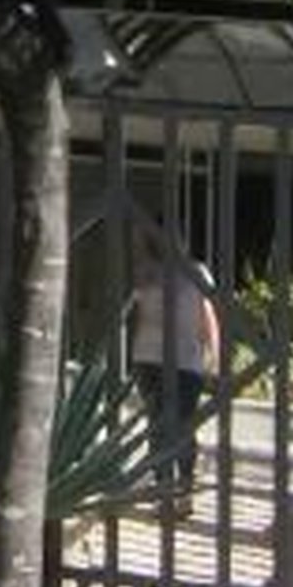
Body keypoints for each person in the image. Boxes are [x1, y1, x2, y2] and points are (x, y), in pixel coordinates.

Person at [124, 210, 222, 515]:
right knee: (159, 425)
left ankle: (183, 490)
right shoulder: (147, 273)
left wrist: (214, 354)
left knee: (182, 426)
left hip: (184, 360)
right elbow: (138, 315)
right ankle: (164, 491)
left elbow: (208, 314)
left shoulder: (196, 271)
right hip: (150, 357)